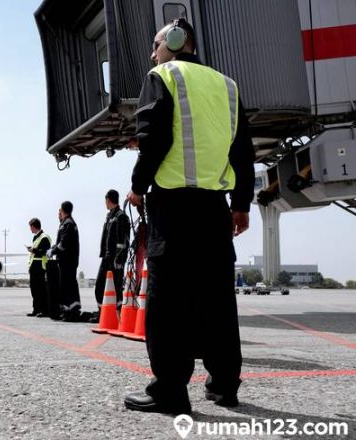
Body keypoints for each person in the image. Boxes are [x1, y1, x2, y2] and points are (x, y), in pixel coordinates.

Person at [123, 18, 255, 415]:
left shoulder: (163, 75)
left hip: (173, 205)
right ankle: (224, 385)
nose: (152, 52)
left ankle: (169, 390)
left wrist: (138, 185)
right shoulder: (227, 86)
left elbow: (154, 139)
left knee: (169, 303)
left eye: (156, 43)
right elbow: (243, 151)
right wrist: (242, 204)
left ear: (175, 42)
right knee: (216, 299)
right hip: (215, 208)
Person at [91, 190, 130, 324]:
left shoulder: (121, 216)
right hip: (106, 257)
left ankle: (120, 315)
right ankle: (102, 313)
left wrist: (119, 259)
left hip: (115, 259)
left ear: (108, 200)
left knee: (117, 288)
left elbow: (123, 241)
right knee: (99, 286)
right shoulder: (109, 216)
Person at [47, 201, 81, 322]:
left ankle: (72, 311)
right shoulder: (67, 223)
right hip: (66, 261)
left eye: (59, 211)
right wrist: (53, 249)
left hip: (67, 261)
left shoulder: (68, 224)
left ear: (63, 211)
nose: (58, 214)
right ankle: (70, 310)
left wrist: (53, 250)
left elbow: (63, 244)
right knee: (67, 285)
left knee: (68, 286)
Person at [26, 218, 51, 317]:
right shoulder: (36, 237)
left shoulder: (45, 237)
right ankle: (36, 309)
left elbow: (45, 251)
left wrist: (33, 250)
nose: (30, 229)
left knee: (41, 289)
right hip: (34, 266)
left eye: (30, 227)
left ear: (33, 226)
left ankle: (44, 310)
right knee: (34, 289)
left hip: (40, 266)